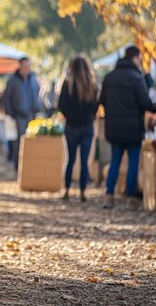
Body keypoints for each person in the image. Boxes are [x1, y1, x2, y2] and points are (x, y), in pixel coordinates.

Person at [99, 46, 156, 209]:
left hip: (114, 128)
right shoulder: (136, 77)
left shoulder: (109, 77)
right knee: (133, 162)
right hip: (132, 128)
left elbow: (102, 100)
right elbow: (145, 102)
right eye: (140, 58)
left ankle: (109, 195)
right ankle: (131, 198)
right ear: (134, 58)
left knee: (115, 161)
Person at [58, 56, 98, 202]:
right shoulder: (91, 85)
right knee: (85, 160)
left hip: (71, 126)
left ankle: (67, 190)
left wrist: (69, 115)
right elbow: (95, 106)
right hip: (87, 126)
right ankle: (82, 191)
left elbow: (61, 105)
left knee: (70, 159)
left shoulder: (67, 84)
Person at [1, 57, 41, 171]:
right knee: (20, 142)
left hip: (31, 115)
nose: (27, 68)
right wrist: (11, 113)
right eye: (25, 66)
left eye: (28, 66)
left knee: (31, 141)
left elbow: (37, 93)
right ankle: (18, 167)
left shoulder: (33, 79)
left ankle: (29, 166)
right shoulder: (13, 80)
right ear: (20, 66)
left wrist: (37, 109)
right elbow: (6, 98)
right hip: (19, 116)